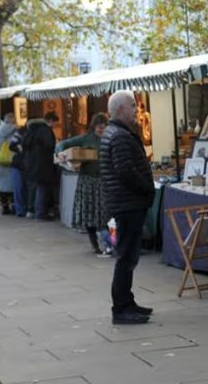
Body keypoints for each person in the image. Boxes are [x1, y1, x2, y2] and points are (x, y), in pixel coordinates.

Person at [101, 90, 155, 325]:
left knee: (128, 256)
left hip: (126, 202)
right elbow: (125, 171)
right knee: (126, 257)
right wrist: (146, 187)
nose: (137, 110)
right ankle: (121, 308)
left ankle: (127, 302)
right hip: (128, 202)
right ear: (121, 109)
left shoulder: (116, 133)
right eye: (133, 106)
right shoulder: (119, 136)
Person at [56, 113, 110, 255]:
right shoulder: (86, 138)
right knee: (90, 214)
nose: (101, 130)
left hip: (104, 181)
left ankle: (107, 242)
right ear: (94, 127)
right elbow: (62, 144)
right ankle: (94, 244)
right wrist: (60, 153)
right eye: (99, 128)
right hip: (87, 180)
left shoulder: (110, 138)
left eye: (103, 127)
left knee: (105, 213)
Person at [22, 112, 58, 221]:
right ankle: (40, 213)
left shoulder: (30, 130)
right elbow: (50, 146)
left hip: (31, 164)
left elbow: (24, 146)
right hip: (43, 164)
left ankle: (32, 211)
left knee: (34, 188)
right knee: (42, 188)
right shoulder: (45, 130)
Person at [8, 123, 29, 217]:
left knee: (19, 188)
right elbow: (12, 146)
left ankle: (20, 209)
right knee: (22, 188)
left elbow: (12, 145)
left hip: (18, 164)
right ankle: (21, 209)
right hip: (21, 164)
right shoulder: (22, 133)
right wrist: (21, 150)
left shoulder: (20, 132)